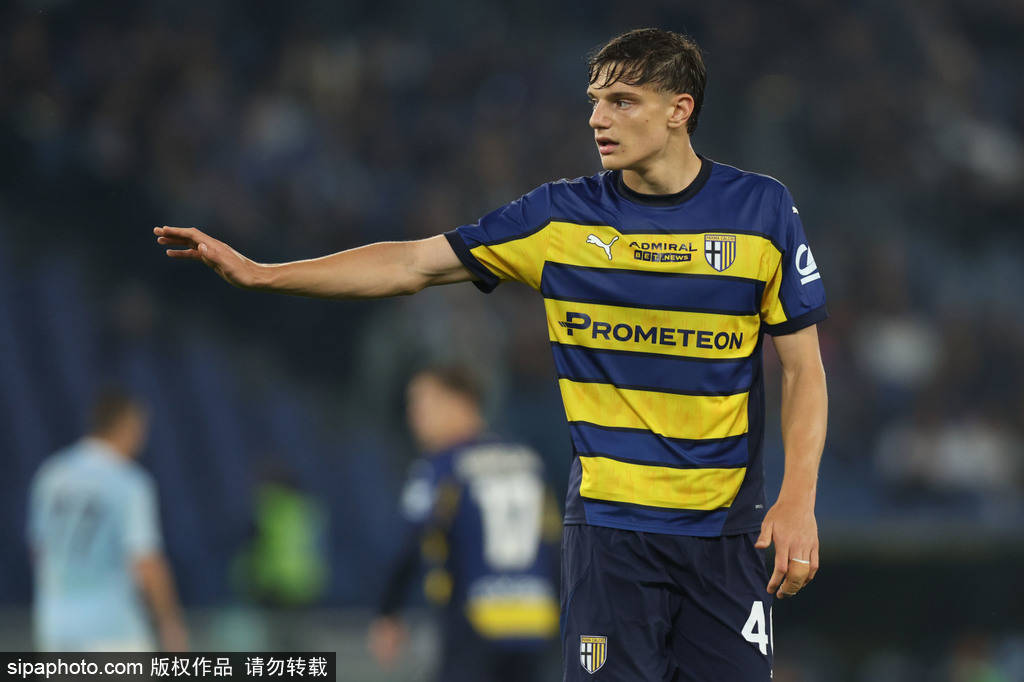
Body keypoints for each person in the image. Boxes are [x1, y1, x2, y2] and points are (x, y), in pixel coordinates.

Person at [155, 27, 828, 681]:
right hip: (610, 534)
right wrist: (265, 273)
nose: (597, 118)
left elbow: (803, 368)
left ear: (680, 110)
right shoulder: (559, 218)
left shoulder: (761, 211)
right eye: (594, 100)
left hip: (725, 535)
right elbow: (412, 263)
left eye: (622, 101)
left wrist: (798, 498)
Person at [367, 366, 561, 681]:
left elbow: (409, 541)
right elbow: (556, 543)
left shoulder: (444, 466)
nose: (414, 416)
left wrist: (388, 612)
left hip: (474, 622)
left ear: (462, 402)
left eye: (424, 403)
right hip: (536, 621)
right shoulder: (529, 462)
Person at [27, 389, 188, 652]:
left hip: (55, 624)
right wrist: (170, 622)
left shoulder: (51, 475)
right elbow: (145, 560)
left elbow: (38, 550)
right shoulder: (127, 482)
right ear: (128, 425)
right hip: (112, 626)